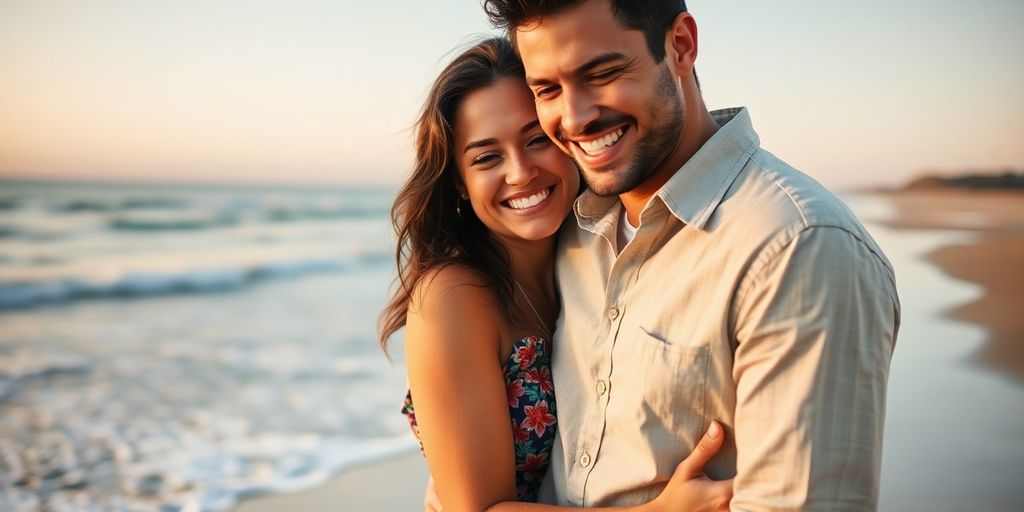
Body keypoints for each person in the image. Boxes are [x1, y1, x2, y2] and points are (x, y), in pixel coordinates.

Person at [475, 0, 902, 510]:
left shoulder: (797, 246)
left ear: (680, 46)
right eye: (547, 89)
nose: (575, 118)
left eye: (603, 72)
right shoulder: (567, 226)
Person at [379, 38, 732, 511]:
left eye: (536, 140)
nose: (521, 172)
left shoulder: (597, 252)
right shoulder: (453, 297)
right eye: (487, 157)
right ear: (460, 184)